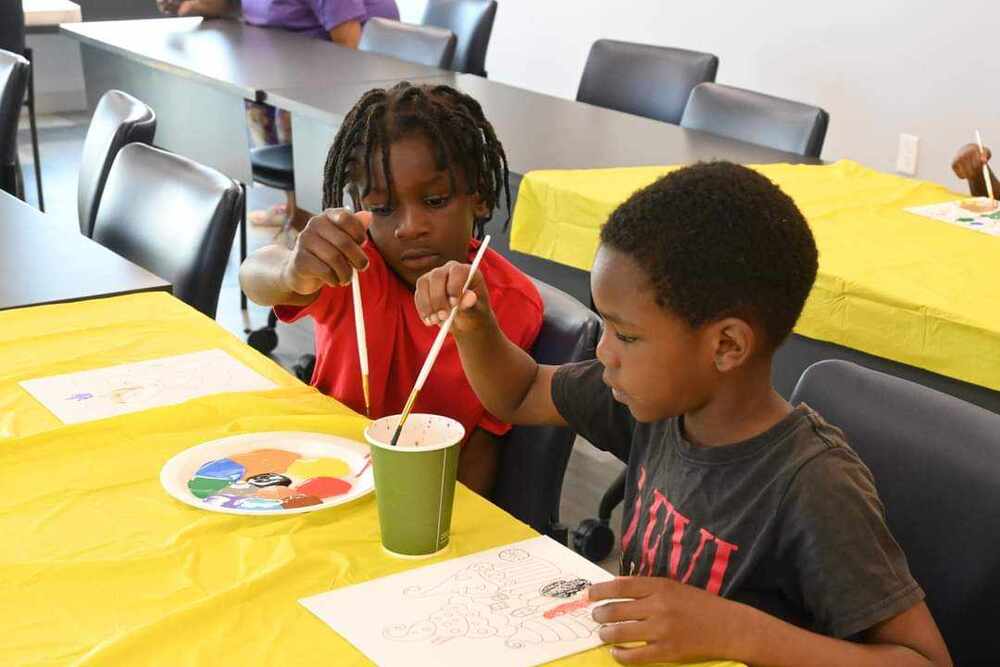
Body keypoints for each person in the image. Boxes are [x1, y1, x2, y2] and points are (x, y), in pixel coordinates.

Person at [415, 162, 952, 666]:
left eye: (626, 335)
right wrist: (476, 325)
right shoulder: (653, 403)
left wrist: (734, 630)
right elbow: (520, 392)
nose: (603, 352)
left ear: (726, 347)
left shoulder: (815, 484)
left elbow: (926, 660)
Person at [239, 82, 543, 497]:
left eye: (435, 200)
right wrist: (293, 271)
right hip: (318, 480)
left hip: (420, 500)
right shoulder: (352, 266)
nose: (408, 226)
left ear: (481, 198)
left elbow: (484, 442)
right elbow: (255, 274)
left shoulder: (507, 302)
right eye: (382, 208)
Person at [156, 0, 400, 227]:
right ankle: (296, 209)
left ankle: (317, 220)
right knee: (258, 101)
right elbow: (238, 5)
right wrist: (194, 4)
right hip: (287, 66)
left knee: (287, 111)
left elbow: (350, 44)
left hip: (355, 74)